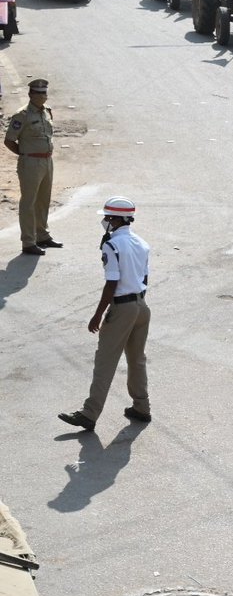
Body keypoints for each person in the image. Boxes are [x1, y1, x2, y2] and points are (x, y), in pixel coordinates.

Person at [57, 197, 153, 432]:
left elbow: (111, 284)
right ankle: (142, 407)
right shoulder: (142, 242)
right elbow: (145, 278)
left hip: (122, 308)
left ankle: (89, 414)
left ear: (116, 219)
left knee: (105, 362)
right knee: (137, 360)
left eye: (107, 217)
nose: (105, 221)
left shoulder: (112, 245)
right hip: (141, 306)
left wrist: (98, 315)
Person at [5, 79, 59, 256]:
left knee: (44, 199)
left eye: (44, 93)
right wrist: (24, 154)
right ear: (30, 95)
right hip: (31, 163)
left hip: (47, 161)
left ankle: (42, 235)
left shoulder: (47, 112)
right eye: (39, 93)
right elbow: (9, 140)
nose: (43, 96)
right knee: (29, 202)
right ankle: (28, 241)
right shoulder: (22, 115)